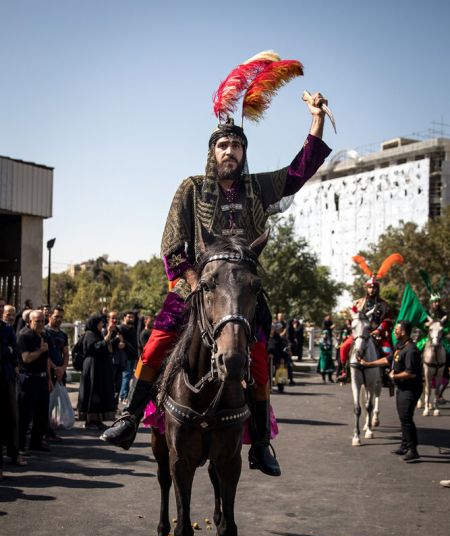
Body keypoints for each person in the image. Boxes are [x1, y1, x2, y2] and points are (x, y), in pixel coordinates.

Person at [102, 89, 332, 476]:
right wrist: (193, 282)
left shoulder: (257, 188)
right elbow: (173, 244)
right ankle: (130, 416)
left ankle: (259, 443)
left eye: (237, 146)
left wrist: (316, 119)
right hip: (194, 285)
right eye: (224, 145)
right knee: (157, 342)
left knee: (259, 362)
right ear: (213, 153)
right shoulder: (190, 188)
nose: (230, 151)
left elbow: (297, 173)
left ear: (244, 153)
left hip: (240, 290)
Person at [360, 320, 423, 462]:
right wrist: (369, 363)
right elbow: (388, 360)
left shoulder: (411, 350)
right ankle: (404, 445)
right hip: (402, 388)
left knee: (406, 419)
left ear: (404, 332)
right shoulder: (400, 347)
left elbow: (411, 373)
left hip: (410, 389)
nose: (394, 331)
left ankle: (413, 450)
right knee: (403, 418)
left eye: (397, 329)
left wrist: (394, 376)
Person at [337, 277, 393, 382]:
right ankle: (344, 371)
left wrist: (379, 330)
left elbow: (387, 320)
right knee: (343, 347)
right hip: (360, 333)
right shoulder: (359, 302)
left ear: (377, 289)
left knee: (388, 350)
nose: (372, 290)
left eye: (374, 287)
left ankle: (387, 373)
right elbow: (353, 316)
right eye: (369, 287)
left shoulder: (384, 305)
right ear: (366, 288)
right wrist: (353, 307)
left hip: (377, 334)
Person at [16, 310, 52, 453]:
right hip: (28, 379)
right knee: (25, 415)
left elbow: (46, 360)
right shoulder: (24, 336)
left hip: (42, 379)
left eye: (43, 321)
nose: (41, 324)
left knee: (41, 414)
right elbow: (26, 358)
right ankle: (20, 446)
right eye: (37, 321)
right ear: (29, 322)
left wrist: (49, 379)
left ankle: (36, 442)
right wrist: (41, 351)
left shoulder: (43, 336)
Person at [0, 298, 26, 477]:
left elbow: (15, 351)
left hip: (6, 376)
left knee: (11, 417)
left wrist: (9, 352)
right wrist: (6, 351)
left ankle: (14, 453)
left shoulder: (7, 329)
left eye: (2, 306)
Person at [77, 314, 117, 429]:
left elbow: (106, 348)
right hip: (92, 369)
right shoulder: (89, 334)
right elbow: (97, 347)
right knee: (92, 393)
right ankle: (90, 421)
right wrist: (108, 335)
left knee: (99, 393)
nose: (102, 325)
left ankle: (97, 420)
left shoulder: (97, 334)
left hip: (99, 369)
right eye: (100, 323)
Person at [44, 306, 69, 441]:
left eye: (61, 317)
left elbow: (65, 353)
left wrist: (63, 368)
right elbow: (45, 355)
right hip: (49, 371)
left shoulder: (63, 335)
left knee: (55, 402)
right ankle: (45, 430)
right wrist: (54, 368)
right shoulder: (45, 333)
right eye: (56, 317)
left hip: (60, 372)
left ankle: (51, 429)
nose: (58, 319)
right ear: (50, 317)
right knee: (46, 402)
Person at [106, 310, 127, 410]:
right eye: (112, 318)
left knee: (118, 385)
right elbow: (106, 344)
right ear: (108, 319)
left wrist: (122, 343)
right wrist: (116, 341)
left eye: (116, 318)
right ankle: (108, 405)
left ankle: (114, 406)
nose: (114, 320)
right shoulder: (105, 330)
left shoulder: (118, 330)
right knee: (110, 384)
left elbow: (122, 342)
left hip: (119, 361)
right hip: (110, 362)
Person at [118, 311, 138, 403]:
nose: (131, 319)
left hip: (133, 355)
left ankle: (126, 395)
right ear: (124, 317)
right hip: (125, 356)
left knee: (130, 376)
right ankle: (123, 396)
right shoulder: (121, 328)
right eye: (129, 317)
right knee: (126, 376)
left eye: (132, 317)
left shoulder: (133, 328)